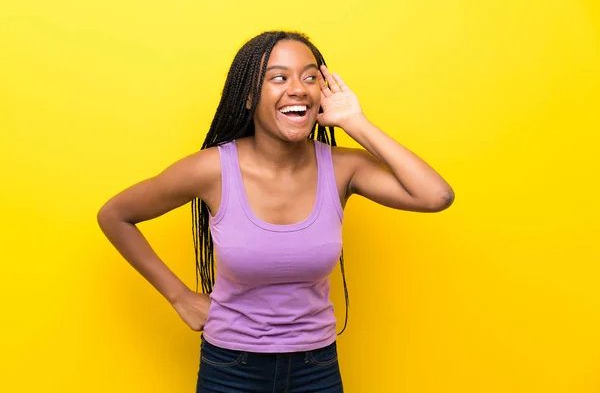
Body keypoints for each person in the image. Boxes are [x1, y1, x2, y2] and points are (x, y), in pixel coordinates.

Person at [97, 30, 454, 392]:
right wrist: (179, 297)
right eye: (279, 77)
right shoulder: (212, 170)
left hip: (317, 366)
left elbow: (436, 196)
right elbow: (115, 215)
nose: (298, 88)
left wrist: (355, 122)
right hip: (231, 367)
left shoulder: (344, 168)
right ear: (251, 95)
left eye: (311, 77)